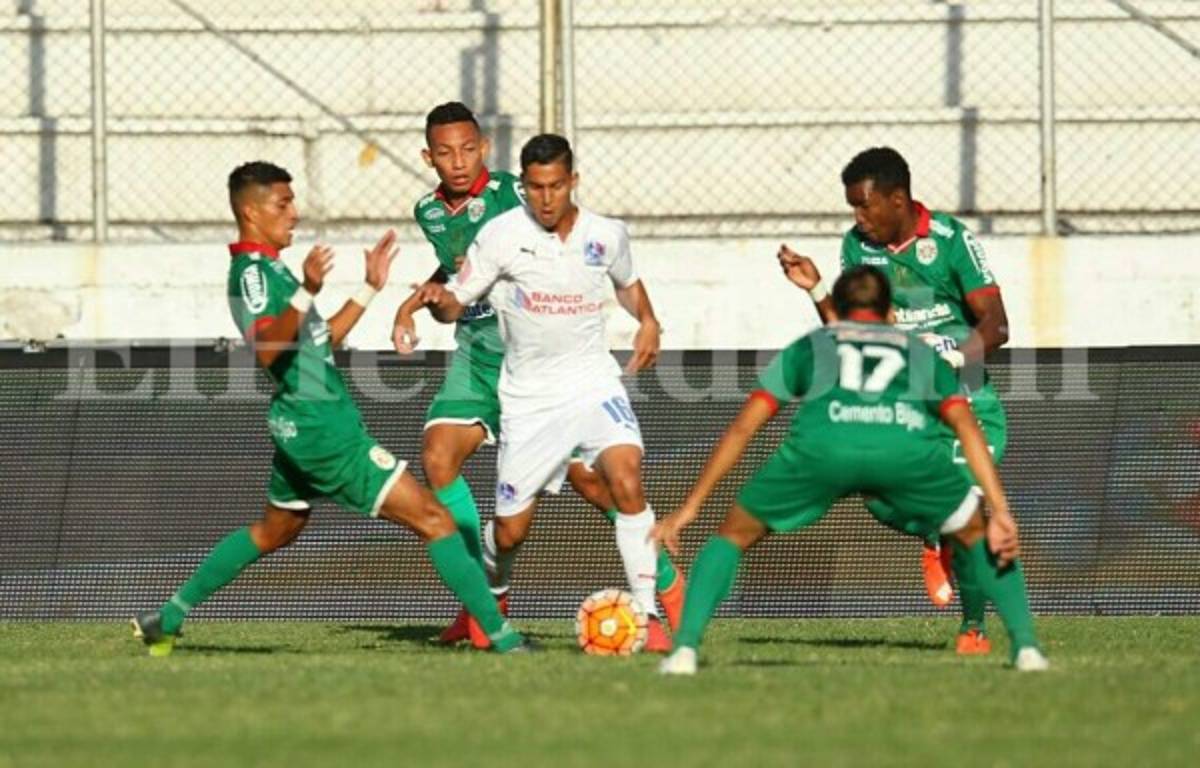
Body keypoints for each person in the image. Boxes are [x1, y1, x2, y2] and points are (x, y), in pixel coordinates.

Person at [130, 161, 528, 656]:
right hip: (324, 429)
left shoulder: (271, 267)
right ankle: (504, 639)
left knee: (275, 530)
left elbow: (320, 340)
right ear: (250, 211)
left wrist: (369, 288)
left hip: (300, 424)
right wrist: (307, 290)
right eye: (283, 204)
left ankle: (165, 619)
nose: (294, 214)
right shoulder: (252, 274)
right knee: (435, 519)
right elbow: (271, 349)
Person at [653, 266, 1048, 675]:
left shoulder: (813, 345)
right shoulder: (919, 354)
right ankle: (1026, 649)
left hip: (823, 450)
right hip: (903, 451)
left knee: (732, 536)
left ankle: (684, 652)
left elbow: (745, 426)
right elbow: (965, 426)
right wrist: (999, 509)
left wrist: (691, 506)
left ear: (838, 310)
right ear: (891, 313)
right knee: (976, 535)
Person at [393, 104, 684, 648]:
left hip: (549, 365)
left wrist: (648, 319)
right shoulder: (430, 212)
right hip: (483, 357)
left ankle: (663, 591)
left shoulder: (513, 197)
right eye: (445, 153)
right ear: (427, 157)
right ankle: (480, 604)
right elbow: (462, 271)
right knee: (441, 460)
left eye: (468, 149)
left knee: (605, 483)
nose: (458, 163)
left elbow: (600, 263)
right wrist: (417, 302)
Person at [777, 146, 1010, 655]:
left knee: (971, 511)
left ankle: (973, 630)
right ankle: (932, 534)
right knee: (877, 496)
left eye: (864, 207)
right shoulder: (858, 248)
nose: (858, 220)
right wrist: (817, 289)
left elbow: (997, 325)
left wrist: (954, 354)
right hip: (901, 408)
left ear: (898, 199)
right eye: (853, 210)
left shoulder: (950, 241)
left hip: (965, 406)